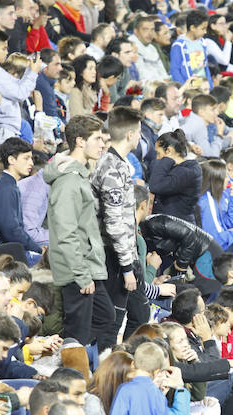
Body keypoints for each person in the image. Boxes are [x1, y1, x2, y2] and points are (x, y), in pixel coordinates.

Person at [44, 115, 110, 348]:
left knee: (106, 317)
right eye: (97, 138)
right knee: (78, 334)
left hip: (86, 263)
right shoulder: (68, 181)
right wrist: (81, 274)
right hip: (77, 267)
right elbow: (65, 231)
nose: (103, 144)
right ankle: (70, 374)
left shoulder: (78, 175)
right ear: (80, 141)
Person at [91, 106, 143, 349]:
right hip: (112, 255)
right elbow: (113, 221)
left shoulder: (114, 162)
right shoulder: (112, 166)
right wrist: (126, 266)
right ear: (131, 135)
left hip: (116, 253)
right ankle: (102, 372)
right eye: (140, 132)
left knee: (121, 318)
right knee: (111, 321)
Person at [0, 138, 41, 258]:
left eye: (31, 158)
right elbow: (11, 231)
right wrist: (37, 249)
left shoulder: (8, 184)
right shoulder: (5, 188)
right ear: (11, 159)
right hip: (7, 256)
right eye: (26, 158)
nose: (31, 163)